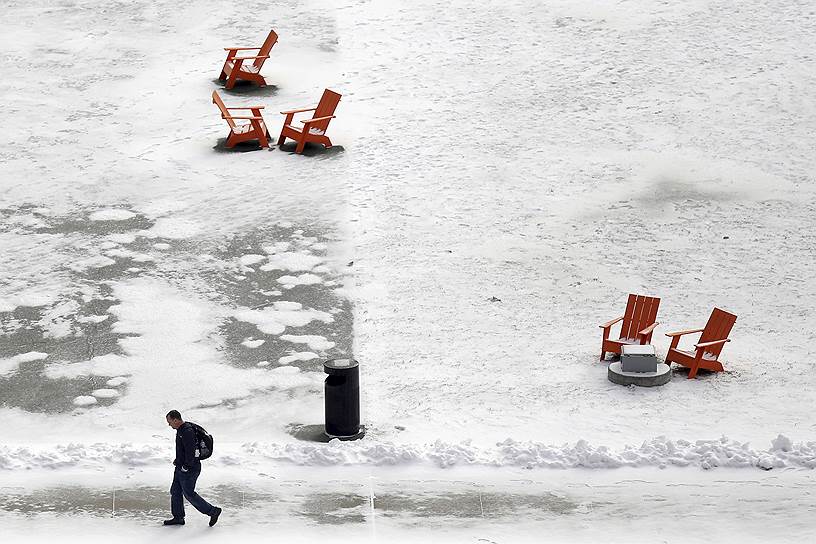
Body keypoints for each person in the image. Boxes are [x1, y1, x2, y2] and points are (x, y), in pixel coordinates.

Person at [163, 410, 222, 527]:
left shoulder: (187, 431)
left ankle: (213, 511)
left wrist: (186, 466)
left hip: (189, 469)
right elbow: (184, 449)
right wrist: (179, 460)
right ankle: (178, 517)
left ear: (176, 420)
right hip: (181, 467)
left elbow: (192, 451)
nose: (169, 425)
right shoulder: (181, 429)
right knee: (175, 491)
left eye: (170, 422)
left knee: (189, 494)